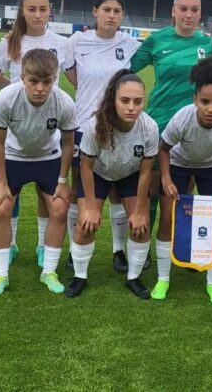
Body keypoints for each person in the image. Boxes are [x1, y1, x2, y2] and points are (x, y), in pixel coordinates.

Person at [0, 0, 73, 268]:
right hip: (17, 128)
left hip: (49, 130)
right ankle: (9, 245)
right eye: (31, 9)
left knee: (46, 195)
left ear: (50, 12)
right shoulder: (10, 41)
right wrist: (18, 91)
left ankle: (41, 247)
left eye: (42, 9)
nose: (37, 15)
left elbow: (75, 78)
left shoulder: (62, 43)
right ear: (21, 10)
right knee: (11, 191)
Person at [130, 0, 212, 256]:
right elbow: (126, 72)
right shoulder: (157, 40)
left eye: (194, 10)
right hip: (158, 122)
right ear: (173, 11)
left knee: (183, 193)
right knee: (152, 190)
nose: (189, 15)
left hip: (193, 127)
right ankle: (142, 251)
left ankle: (182, 247)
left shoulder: (207, 44)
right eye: (183, 9)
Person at [0, 49, 76, 297]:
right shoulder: (7, 98)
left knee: (59, 207)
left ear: (55, 79)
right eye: (33, 81)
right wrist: (1, 182)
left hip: (47, 157)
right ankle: (0, 275)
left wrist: (62, 181)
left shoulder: (64, 102)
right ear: (23, 78)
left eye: (47, 82)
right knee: (2, 207)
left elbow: (68, 143)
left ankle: (49, 271)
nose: (40, 88)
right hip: (14, 157)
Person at [154, 58, 212, 305]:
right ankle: (163, 279)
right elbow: (163, 149)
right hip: (178, 165)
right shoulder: (182, 119)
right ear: (195, 100)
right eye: (205, 102)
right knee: (167, 218)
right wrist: (165, 178)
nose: (211, 108)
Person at [63, 0, 141, 274]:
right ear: (95, 12)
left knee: (118, 192)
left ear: (122, 15)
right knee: (78, 190)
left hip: (121, 130)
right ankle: (75, 248)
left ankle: (118, 250)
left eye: (117, 11)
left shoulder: (130, 44)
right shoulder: (77, 41)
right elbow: (73, 76)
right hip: (84, 126)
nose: (111, 15)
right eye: (106, 9)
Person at [65, 69, 157, 299]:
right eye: (125, 100)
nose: (131, 107)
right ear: (113, 100)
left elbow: (146, 173)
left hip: (130, 173)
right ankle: (80, 276)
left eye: (138, 101)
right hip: (97, 173)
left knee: (141, 225)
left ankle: (134, 278)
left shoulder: (150, 128)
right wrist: (88, 208)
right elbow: (85, 167)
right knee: (85, 224)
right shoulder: (95, 125)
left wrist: (138, 211)